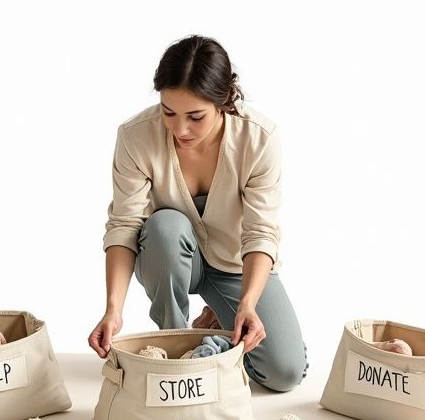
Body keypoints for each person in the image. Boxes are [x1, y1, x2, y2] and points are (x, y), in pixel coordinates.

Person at [87, 35, 307, 392]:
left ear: (223, 101)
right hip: (169, 258)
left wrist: (247, 304)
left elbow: (260, 232)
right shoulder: (135, 137)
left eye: (195, 117)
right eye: (168, 112)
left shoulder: (260, 139)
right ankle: (175, 349)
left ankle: (215, 323)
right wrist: (114, 308)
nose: (179, 129)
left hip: (235, 263)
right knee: (165, 227)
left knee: (284, 373)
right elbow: (124, 225)